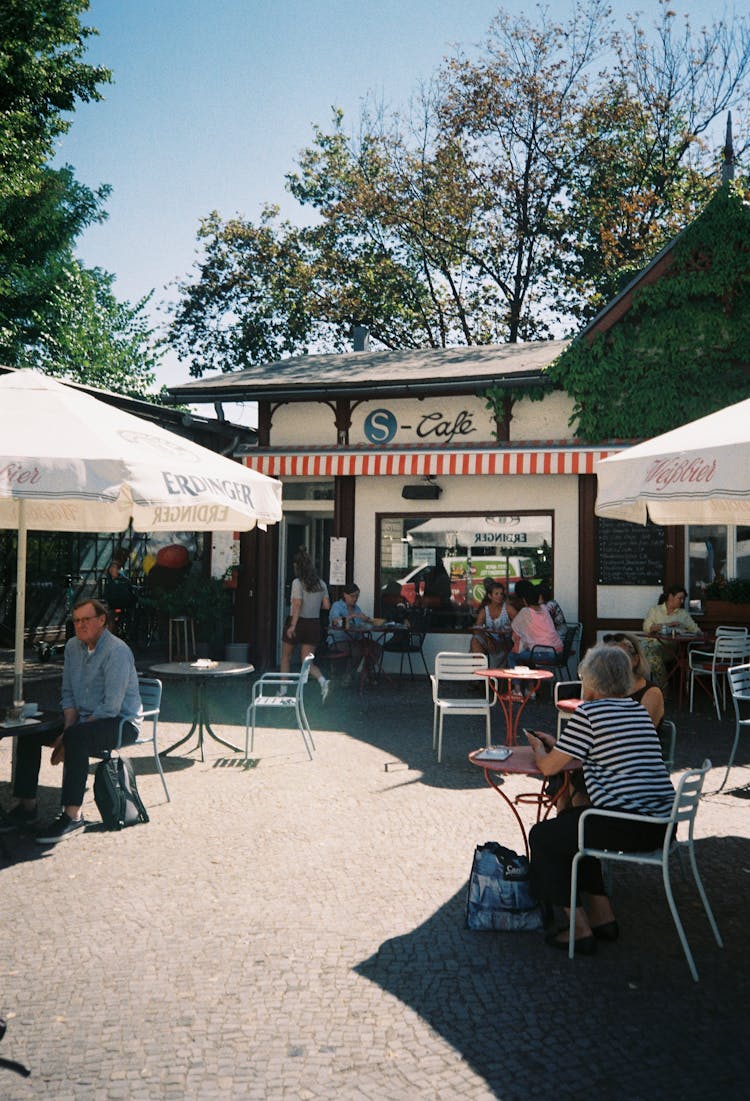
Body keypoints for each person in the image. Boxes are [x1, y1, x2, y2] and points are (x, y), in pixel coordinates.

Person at [526, 645, 675, 955]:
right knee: (573, 826)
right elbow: (603, 749)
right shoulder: (636, 709)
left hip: (627, 823)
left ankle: (579, 929)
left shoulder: (589, 713)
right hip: (661, 823)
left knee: (543, 835)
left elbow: (549, 767)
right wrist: (560, 745)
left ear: (591, 681)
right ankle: (602, 917)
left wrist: (541, 750)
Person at [1, 598, 143, 844]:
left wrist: (70, 734)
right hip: (82, 721)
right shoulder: (72, 647)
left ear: (102, 620)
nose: (80, 625)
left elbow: (111, 707)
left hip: (120, 722)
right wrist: (67, 727)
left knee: (77, 738)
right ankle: (27, 806)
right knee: (31, 729)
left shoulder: (117, 651)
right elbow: (68, 693)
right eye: (76, 621)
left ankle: (73, 815)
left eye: (86, 620)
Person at [281, 548, 331, 702]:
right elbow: (326, 606)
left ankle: (283, 691)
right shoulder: (321, 584)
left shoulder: (297, 583)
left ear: (297, 566)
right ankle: (323, 681)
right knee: (307, 662)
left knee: (286, 657)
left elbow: (297, 604)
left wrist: (292, 626)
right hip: (313, 623)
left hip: (298, 622)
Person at [642, 584, 700, 689]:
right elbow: (647, 628)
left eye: (683, 599)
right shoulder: (655, 610)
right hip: (649, 644)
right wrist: (668, 625)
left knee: (650, 655)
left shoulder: (683, 614)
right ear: (670, 597)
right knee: (632, 652)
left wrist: (683, 630)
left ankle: (662, 687)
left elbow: (696, 630)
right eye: (680, 598)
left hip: (668, 648)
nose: (682, 601)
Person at [329, 582, 382, 684]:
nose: (355, 599)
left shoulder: (356, 608)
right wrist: (352, 616)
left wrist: (368, 620)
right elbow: (335, 621)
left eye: (357, 596)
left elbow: (360, 622)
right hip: (339, 640)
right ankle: (347, 676)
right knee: (358, 650)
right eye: (352, 596)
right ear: (345, 595)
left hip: (355, 639)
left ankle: (365, 673)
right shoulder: (337, 606)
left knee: (376, 648)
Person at [507, 579, 562, 667]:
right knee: (527, 652)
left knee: (512, 656)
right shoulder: (544, 608)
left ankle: (518, 680)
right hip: (558, 651)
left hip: (544, 653)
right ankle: (531, 680)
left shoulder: (525, 612)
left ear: (524, 600)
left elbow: (515, 632)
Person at [470, 581, 512, 661]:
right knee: (475, 640)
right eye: (496, 594)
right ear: (490, 596)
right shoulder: (484, 611)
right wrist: (488, 639)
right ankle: (478, 667)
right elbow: (477, 629)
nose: (499, 596)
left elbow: (521, 624)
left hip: (506, 642)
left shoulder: (508, 609)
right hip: (490, 642)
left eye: (501, 594)